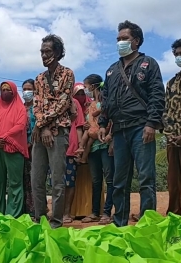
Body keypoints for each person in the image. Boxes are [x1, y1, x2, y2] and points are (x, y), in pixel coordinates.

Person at [98, 20, 165, 227]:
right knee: (119, 181)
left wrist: (152, 123)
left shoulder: (149, 64)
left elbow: (156, 95)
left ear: (136, 41)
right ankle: (120, 223)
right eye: (118, 39)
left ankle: (147, 224)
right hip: (119, 131)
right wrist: (102, 123)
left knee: (145, 177)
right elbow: (106, 100)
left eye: (124, 38)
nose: (120, 42)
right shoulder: (111, 70)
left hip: (141, 126)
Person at [31, 34, 75, 228]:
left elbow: (64, 103)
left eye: (47, 51)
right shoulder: (39, 78)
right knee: (36, 178)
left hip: (58, 132)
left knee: (57, 179)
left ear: (57, 52)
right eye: (42, 51)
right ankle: (40, 217)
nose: (44, 55)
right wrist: (42, 126)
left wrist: (42, 125)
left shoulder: (68, 74)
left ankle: (56, 221)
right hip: (41, 132)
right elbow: (36, 104)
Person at [0, 81, 28, 217]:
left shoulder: (20, 108)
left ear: (14, 91)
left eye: (8, 89)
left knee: (15, 183)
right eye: (3, 89)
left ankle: (13, 215)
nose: (5, 92)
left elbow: (20, 125)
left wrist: (4, 137)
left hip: (13, 149)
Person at [80, 75, 115, 225]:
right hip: (93, 147)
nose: (85, 89)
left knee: (110, 180)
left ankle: (107, 212)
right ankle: (95, 212)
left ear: (93, 86)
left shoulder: (105, 103)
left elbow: (111, 121)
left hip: (105, 144)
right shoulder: (91, 105)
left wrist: (110, 138)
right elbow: (89, 123)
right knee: (96, 181)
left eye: (86, 86)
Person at [163, 38, 181, 216]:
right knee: (173, 182)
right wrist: (169, 134)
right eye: (177, 54)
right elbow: (166, 110)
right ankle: (174, 216)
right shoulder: (171, 83)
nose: (179, 57)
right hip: (172, 140)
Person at [62, 83, 86, 223]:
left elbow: (78, 127)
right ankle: (57, 211)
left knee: (69, 182)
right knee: (56, 182)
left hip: (71, 149)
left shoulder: (74, 102)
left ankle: (66, 213)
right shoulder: (53, 102)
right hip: (56, 148)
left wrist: (80, 147)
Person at [22, 79, 36, 216]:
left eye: (29, 89)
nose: (26, 92)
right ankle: (24, 209)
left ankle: (35, 210)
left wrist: (30, 143)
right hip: (21, 149)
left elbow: (37, 126)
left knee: (34, 179)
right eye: (24, 89)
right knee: (23, 179)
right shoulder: (20, 108)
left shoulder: (37, 109)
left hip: (34, 148)